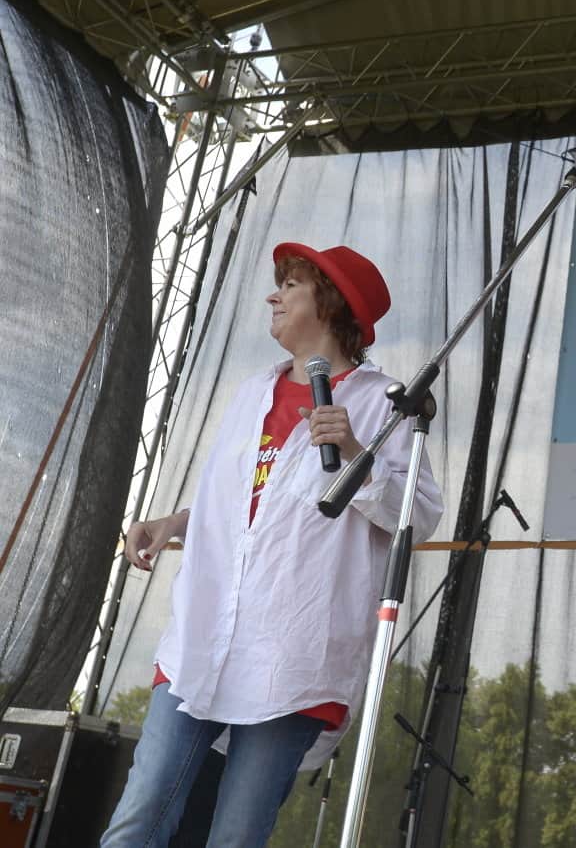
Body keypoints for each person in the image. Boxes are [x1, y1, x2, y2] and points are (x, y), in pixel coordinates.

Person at [101, 242, 444, 847]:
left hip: (292, 657)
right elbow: (244, 506)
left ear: (331, 303)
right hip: (204, 638)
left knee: (236, 835)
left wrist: (357, 455)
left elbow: (418, 515)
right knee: (139, 814)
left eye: (291, 285)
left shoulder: (382, 402)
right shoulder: (250, 394)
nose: (273, 296)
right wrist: (172, 523)